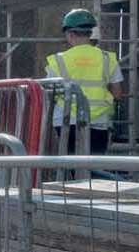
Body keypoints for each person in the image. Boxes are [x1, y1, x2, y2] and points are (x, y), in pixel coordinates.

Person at [47, 8, 124, 154]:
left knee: (70, 167)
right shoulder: (107, 58)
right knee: (94, 168)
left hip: (66, 120)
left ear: (70, 34)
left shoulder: (57, 60)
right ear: (90, 33)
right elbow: (118, 94)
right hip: (99, 122)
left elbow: (50, 94)